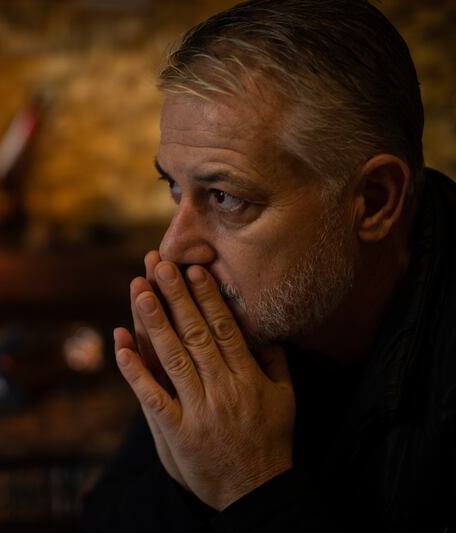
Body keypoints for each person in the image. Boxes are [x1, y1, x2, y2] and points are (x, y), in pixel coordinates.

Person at [82, 0, 456, 530]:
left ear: (373, 201)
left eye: (226, 197)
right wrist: (191, 472)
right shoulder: (250, 322)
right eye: (174, 187)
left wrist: (252, 488)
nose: (173, 250)